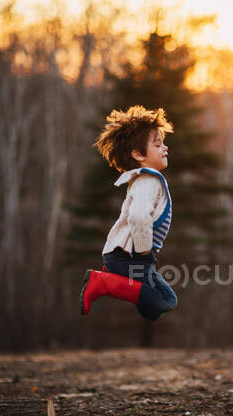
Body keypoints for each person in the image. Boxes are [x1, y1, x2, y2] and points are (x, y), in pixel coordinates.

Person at [79, 105, 178, 321]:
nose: (165, 148)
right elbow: (139, 216)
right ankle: (103, 282)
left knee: (159, 304)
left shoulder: (144, 179)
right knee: (164, 301)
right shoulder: (148, 181)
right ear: (138, 154)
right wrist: (144, 250)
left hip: (130, 258)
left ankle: (111, 278)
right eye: (158, 144)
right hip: (130, 256)